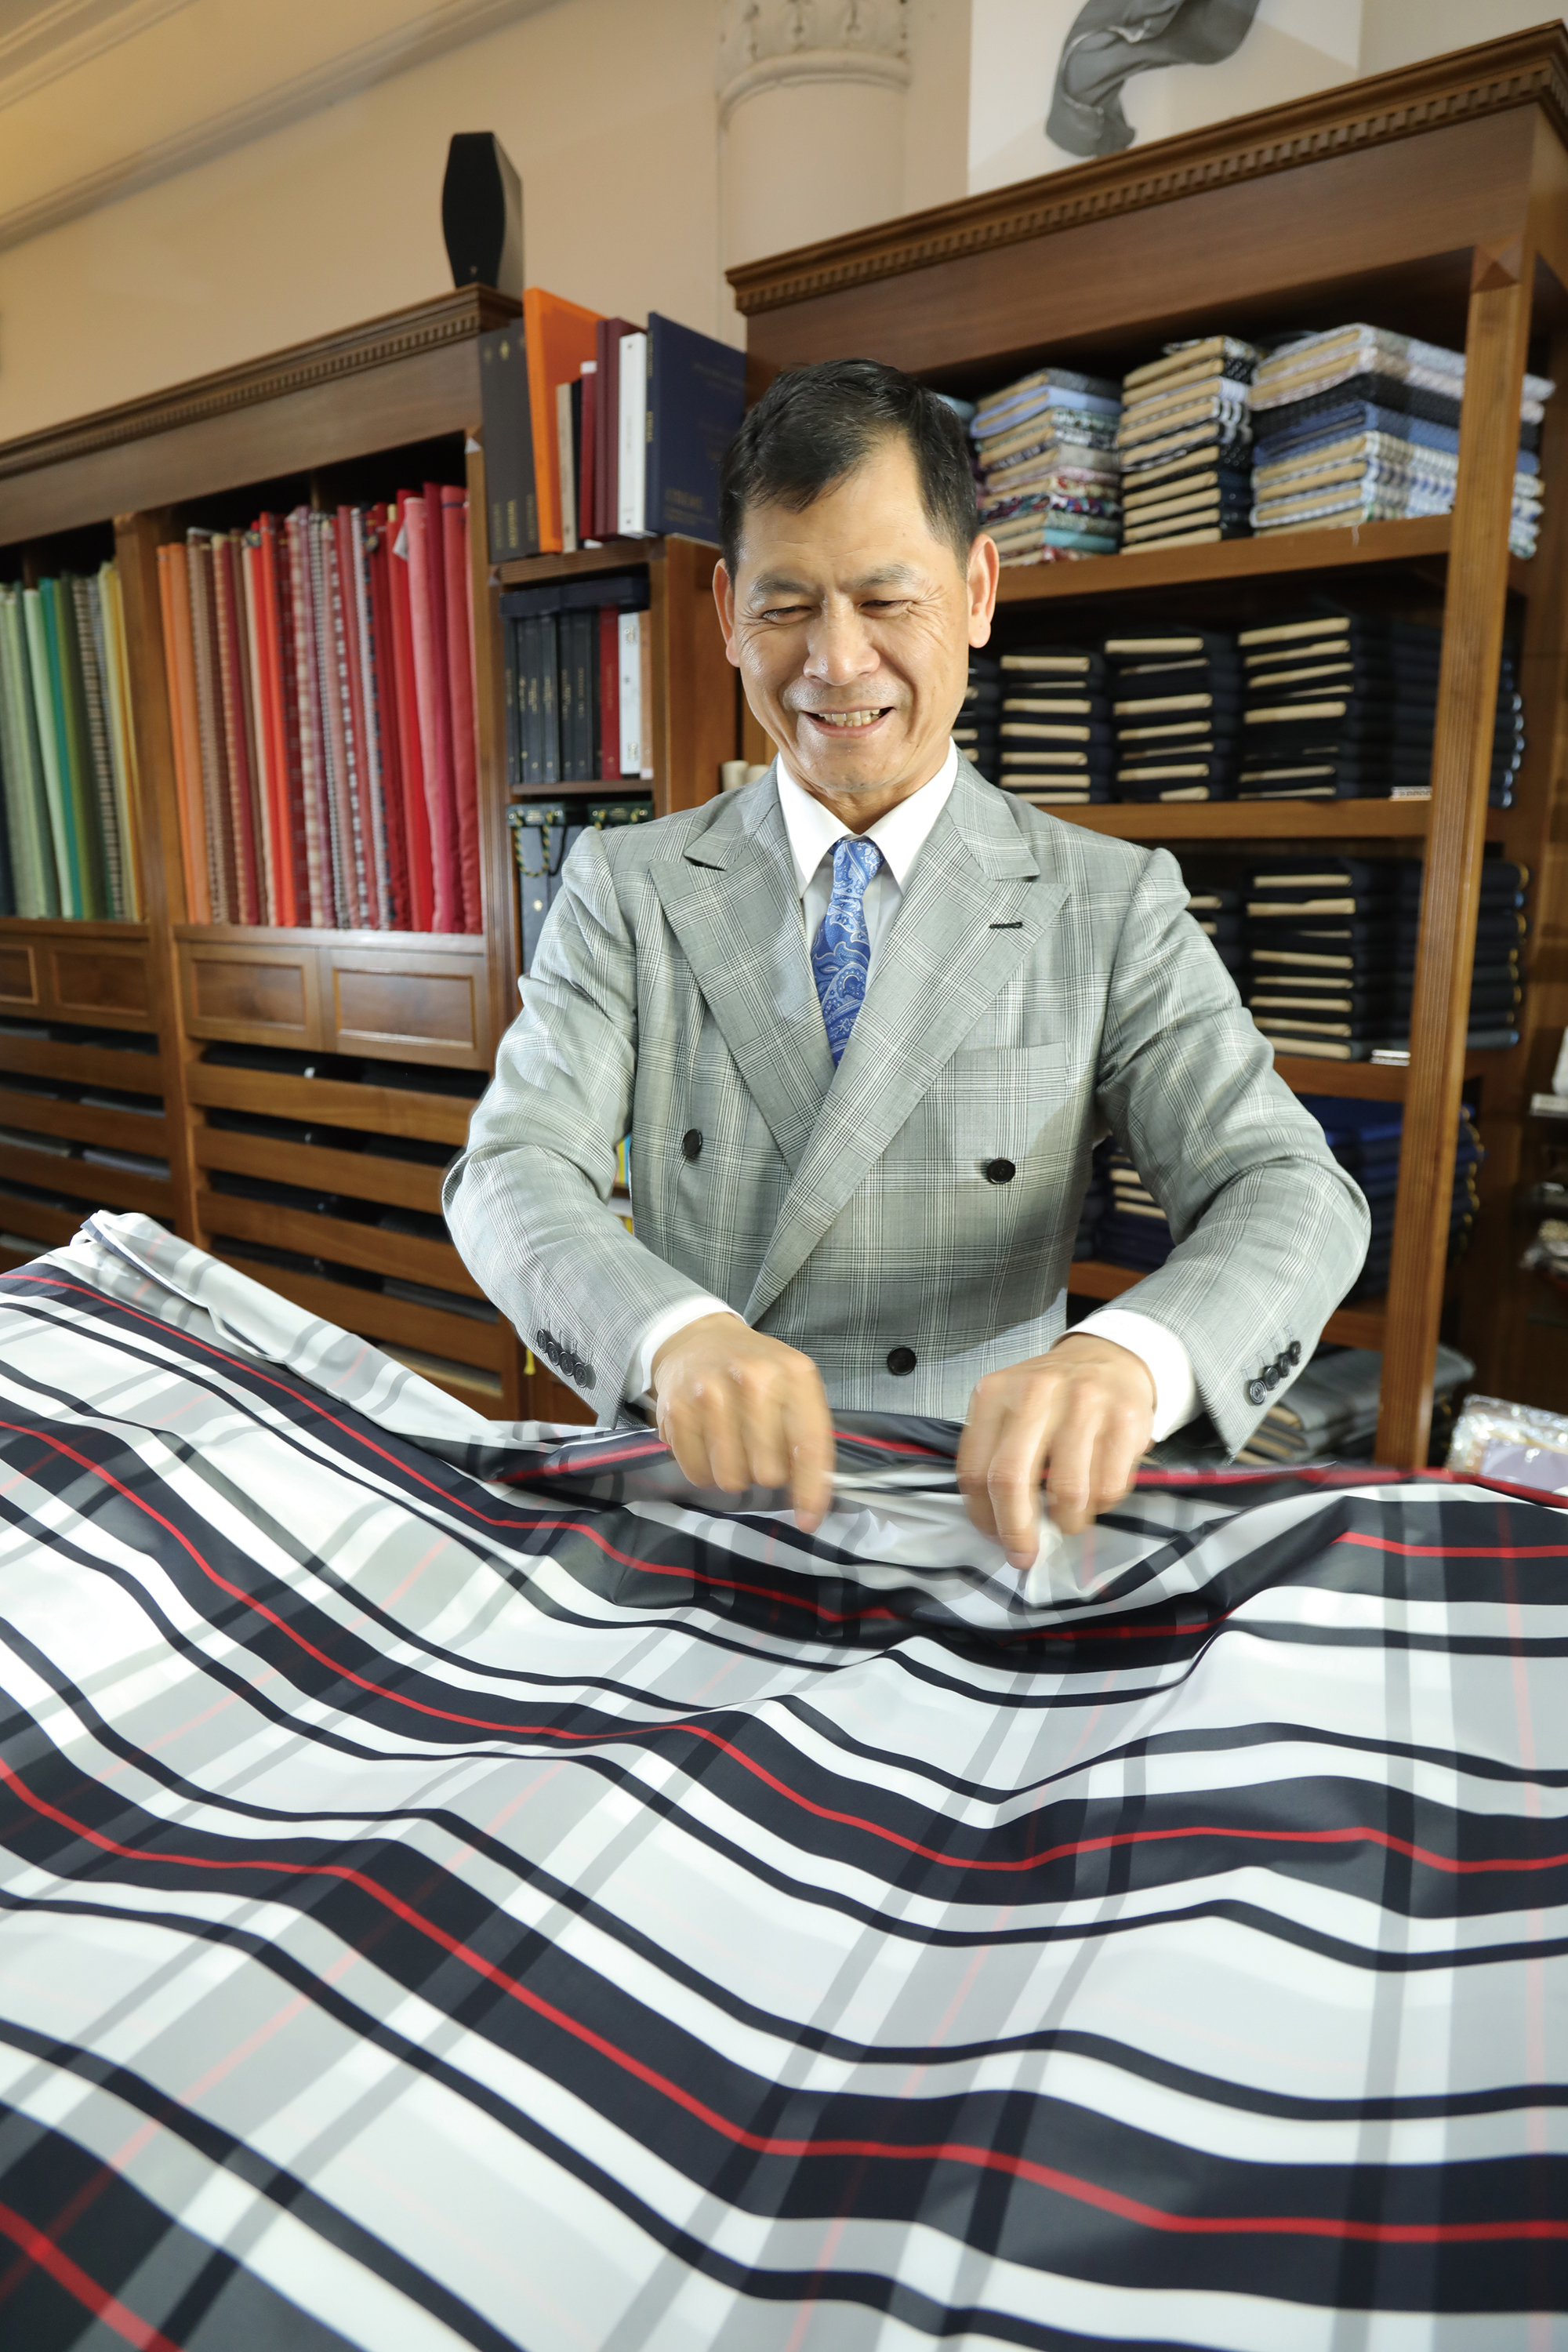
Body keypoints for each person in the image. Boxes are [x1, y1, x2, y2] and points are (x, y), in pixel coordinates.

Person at [445, 359, 1368, 1569]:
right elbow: (512, 1167)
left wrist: (1129, 1358)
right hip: (699, 1503)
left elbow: (1288, 1188)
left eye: (887, 599)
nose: (836, 662)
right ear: (725, 611)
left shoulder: (1110, 903)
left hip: (982, 1521)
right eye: (786, 607)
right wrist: (668, 1333)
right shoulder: (628, 885)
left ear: (977, 591)